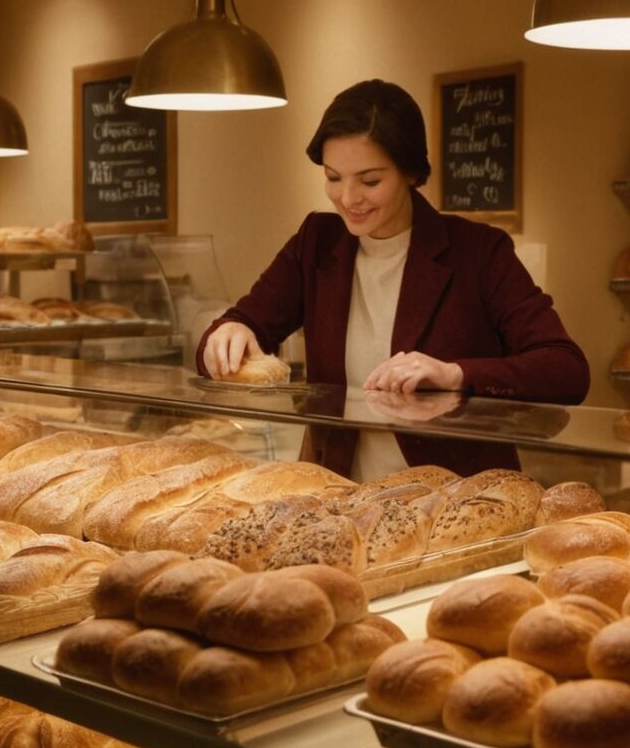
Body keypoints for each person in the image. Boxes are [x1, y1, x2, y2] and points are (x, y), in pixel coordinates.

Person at [198, 79, 589, 479]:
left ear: (410, 173)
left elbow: (566, 370)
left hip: (455, 503)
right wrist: (230, 332)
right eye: (334, 177)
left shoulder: (479, 252)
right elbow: (241, 325)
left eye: (369, 181)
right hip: (345, 500)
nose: (349, 198)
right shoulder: (316, 242)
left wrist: (455, 375)